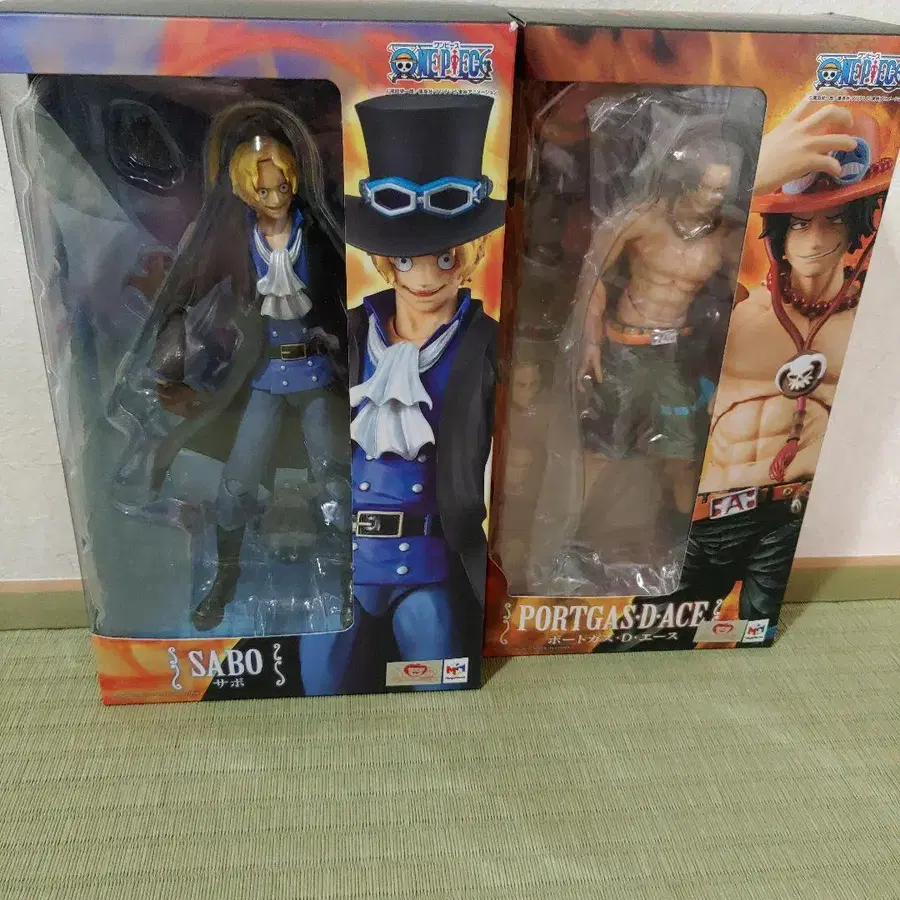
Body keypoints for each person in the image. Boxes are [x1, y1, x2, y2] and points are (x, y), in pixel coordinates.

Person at [301, 93, 504, 692]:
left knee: (441, 680)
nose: (426, 277)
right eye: (409, 260)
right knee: (313, 689)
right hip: (344, 560)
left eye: (444, 257)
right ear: (386, 260)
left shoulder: (487, 344)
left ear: (468, 256)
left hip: (429, 563)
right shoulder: (346, 333)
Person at [138, 101, 349, 632]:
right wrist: (169, 360)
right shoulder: (235, 239)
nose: (276, 199)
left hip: (318, 376)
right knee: (236, 486)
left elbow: (354, 291)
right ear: (245, 192)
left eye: (282, 188)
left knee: (336, 483)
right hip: (264, 375)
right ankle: (227, 576)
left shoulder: (315, 235)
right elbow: (188, 290)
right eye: (264, 191)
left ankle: (354, 580)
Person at [678, 109, 892, 623]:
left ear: (858, 223)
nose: (815, 237)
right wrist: (747, 178)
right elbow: (662, 250)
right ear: (777, 229)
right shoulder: (736, 305)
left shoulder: (863, 319)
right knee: (652, 631)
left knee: (754, 625)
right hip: (708, 512)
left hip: (785, 515)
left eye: (833, 218)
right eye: (798, 221)